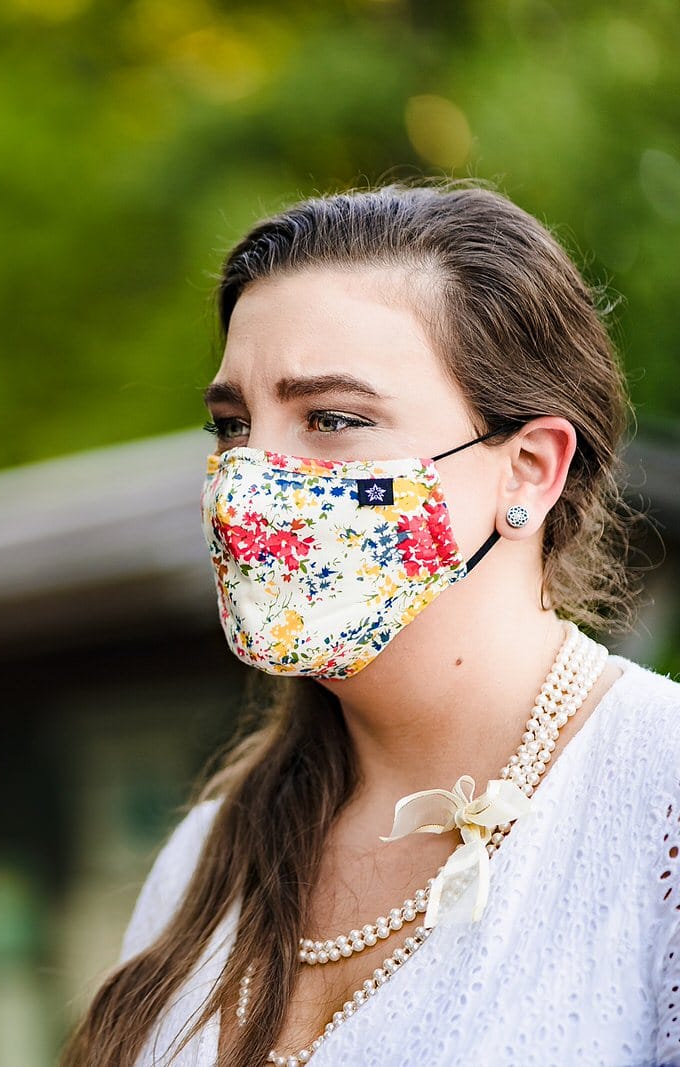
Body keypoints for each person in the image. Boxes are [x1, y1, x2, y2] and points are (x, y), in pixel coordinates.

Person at [63, 184, 680, 1066]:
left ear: (531, 470)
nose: (251, 481)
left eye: (333, 419)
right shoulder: (202, 862)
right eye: (233, 426)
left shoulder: (661, 800)